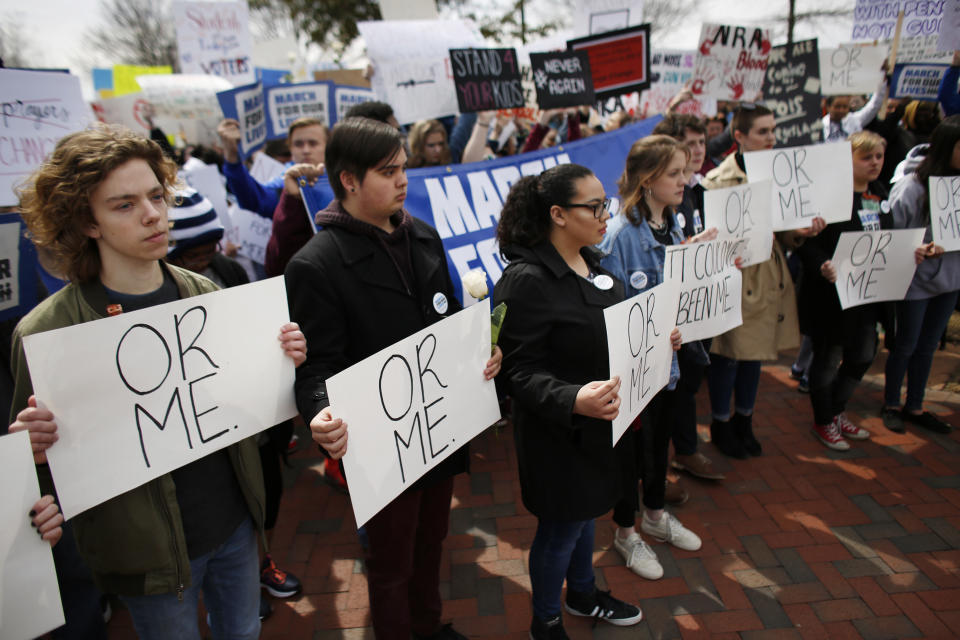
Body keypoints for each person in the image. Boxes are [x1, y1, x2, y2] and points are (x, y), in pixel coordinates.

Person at [9, 125, 307, 640]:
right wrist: (29, 451)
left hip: (234, 524)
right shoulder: (47, 334)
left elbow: (244, 411)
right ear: (87, 221)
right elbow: (30, 477)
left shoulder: (205, 293)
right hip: (145, 557)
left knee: (241, 632)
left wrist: (280, 364)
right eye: (124, 205)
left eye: (155, 195)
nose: (152, 214)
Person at [285, 117, 502, 640]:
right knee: (389, 563)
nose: (403, 180)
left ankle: (428, 625)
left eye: (403, 167)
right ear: (349, 181)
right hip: (382, 443)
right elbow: (316, 366)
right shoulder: (316, 264)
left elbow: (444, 320)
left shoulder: (422, 235)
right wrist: (321, 413)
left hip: (437, 427)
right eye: (388, 171)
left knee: (432, 542)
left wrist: (479, 351)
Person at [493, 163, 643, 639]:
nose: (605, 215)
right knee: (561, 529)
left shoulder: (591, 261)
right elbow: (518, 372)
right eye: (594, 206)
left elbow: (611, 333)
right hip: (557, 434)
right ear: (557, 214)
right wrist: (573, 398)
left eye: (605, 204)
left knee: (586, 516)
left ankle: (581, 594)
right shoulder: (527, 280)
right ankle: (546, 619)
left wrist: (657, 340)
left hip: (599, 426)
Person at [166, 189, 303, 619]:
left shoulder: (226, 269)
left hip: (252, 423)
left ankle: (260, 564)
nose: (204, 260)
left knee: (265, 493)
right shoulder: (158, 296)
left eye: (209, 249)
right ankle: (217, 592)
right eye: (192, 253)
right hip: (195, 432)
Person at [599, 135, 706, 580]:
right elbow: (613, 311)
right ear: (648, 179)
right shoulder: (621, 235)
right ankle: (626, 532)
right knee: (630, 451)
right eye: (675, 173)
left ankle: (656, 516)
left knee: (660, 441)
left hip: (669, 363)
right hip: (636, 368)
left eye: (685, 171)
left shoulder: (675, 222)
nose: (686, 180)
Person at [702, 104, 825, 458]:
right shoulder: (718, 180)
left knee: (756, 355)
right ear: (739, 136)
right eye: (762, 131)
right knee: (729, 355)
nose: (771, 138)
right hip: (736, 277)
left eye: (773, 131)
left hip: (769, 275)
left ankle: (745, 420)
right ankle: (721, 423)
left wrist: (799, 232)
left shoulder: (783, 174)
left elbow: (785, 234)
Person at [795, 131, 891, 450]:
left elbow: (888, 240)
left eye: (879, 156)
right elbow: (806, 244)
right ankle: (823, 420)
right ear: (847, 161)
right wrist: (822, 264)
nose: (875, 163)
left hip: (866, 296)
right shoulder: (829, 197)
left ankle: (836, 411)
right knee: (828, 357)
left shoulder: (879, 194)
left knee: (864, 354)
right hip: (830, 299)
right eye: (867, 157)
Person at [882, 115, 960, 434]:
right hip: (914, 280)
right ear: (946, 147)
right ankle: (890, 403)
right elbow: (892, 235)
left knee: (928, 346)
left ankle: (914, 404)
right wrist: (919, 247)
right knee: (906, 344)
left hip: (951, 280)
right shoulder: (911, 187)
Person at [218, 116, 328, 219]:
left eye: (313, 143)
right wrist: (232, 158)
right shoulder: (282, 184)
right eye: (298, 144)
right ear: (290, 147)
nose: (306, 150)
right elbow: (254, 198)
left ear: (327, 146)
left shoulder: (341, 178)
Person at [821, 76, 888, 142]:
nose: (841, 110)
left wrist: (882, 80)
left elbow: (874, 106)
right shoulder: (821, 125)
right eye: (837, 107)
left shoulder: (854, 120)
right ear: (828, 107)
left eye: (845, 107)